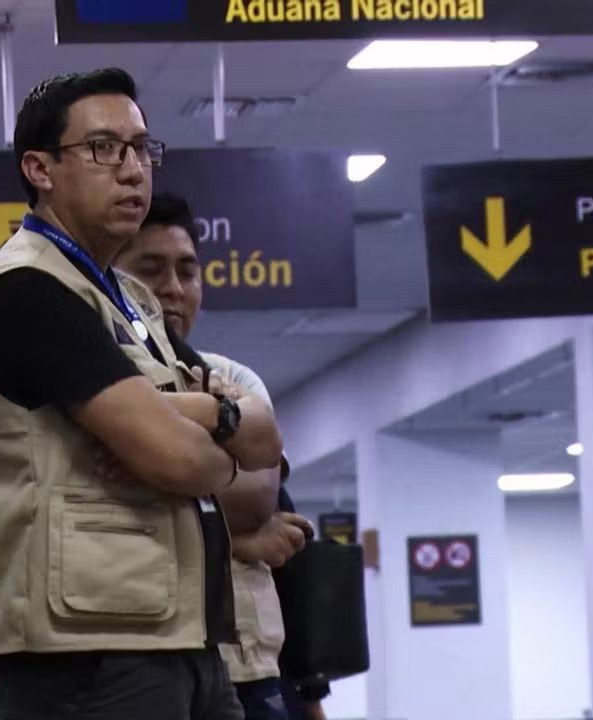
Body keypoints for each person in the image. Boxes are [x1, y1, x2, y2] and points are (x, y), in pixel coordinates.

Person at [0, 68, 282, 720]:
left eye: (140, 148)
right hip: (88, 650)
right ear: (40, 169)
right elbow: (179, 459)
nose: (133, 170)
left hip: (185, 637)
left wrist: (197, 415)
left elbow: (266, 437)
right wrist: (214, 440)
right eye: (104, 148)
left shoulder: (131, 299)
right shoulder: (23, 290)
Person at [114, 192, 330, 720]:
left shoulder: (233, 378)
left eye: (187, 272)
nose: (173, 288)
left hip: (245, 663)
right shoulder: (97, 382)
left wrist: (152, 475)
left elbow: (256, 497)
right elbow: (100, 502)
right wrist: (240, 539)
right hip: (135, 662)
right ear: (110, 280)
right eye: (151, 270)